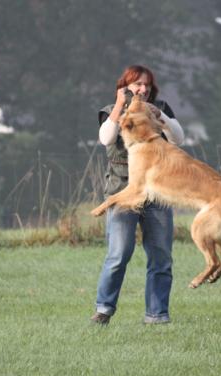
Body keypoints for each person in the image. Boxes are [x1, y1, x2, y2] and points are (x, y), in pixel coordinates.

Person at [91, 65, 184, 325]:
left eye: (147, 85)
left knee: (161, 256)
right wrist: (120, 105)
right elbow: (106, 139)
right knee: (119, 253)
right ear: (125, 86)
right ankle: (104, 309)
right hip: (122, 192)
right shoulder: (111, 110)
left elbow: (178, 139)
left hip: (157, 192)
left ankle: (157, 314)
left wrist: (160, 115)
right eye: (137, 84)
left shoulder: (160, 107)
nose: (143, 89)